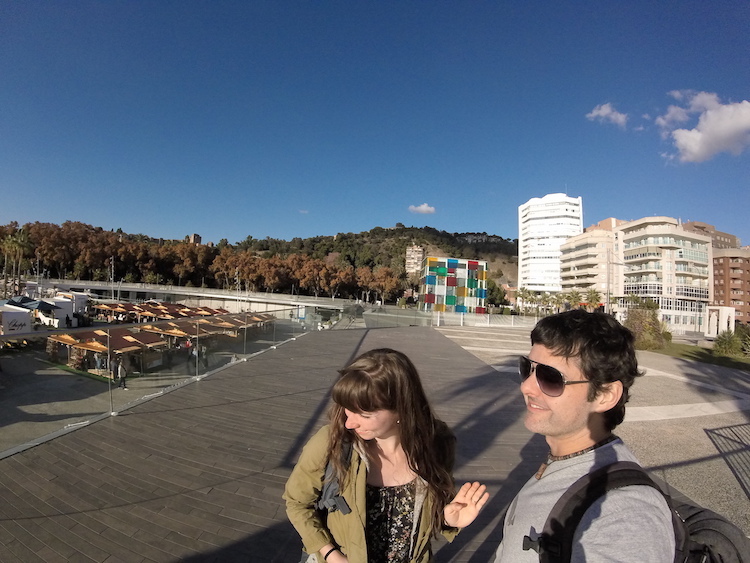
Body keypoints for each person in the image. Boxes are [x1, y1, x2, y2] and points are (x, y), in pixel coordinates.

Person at [493, 309, 675, 562]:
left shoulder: (623, 515)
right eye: (528, 368)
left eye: (550, 377)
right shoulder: (560, 464)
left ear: (604, 395)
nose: (526, 386)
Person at [284, 348, 489, 563]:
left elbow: (430, 512)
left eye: (364, 415)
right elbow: (297, 503)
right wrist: (330, 554)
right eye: (347, 409)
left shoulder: (436, 443)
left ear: (401, 408)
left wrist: (447, 518)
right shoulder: (331, 442)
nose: (349, 423)